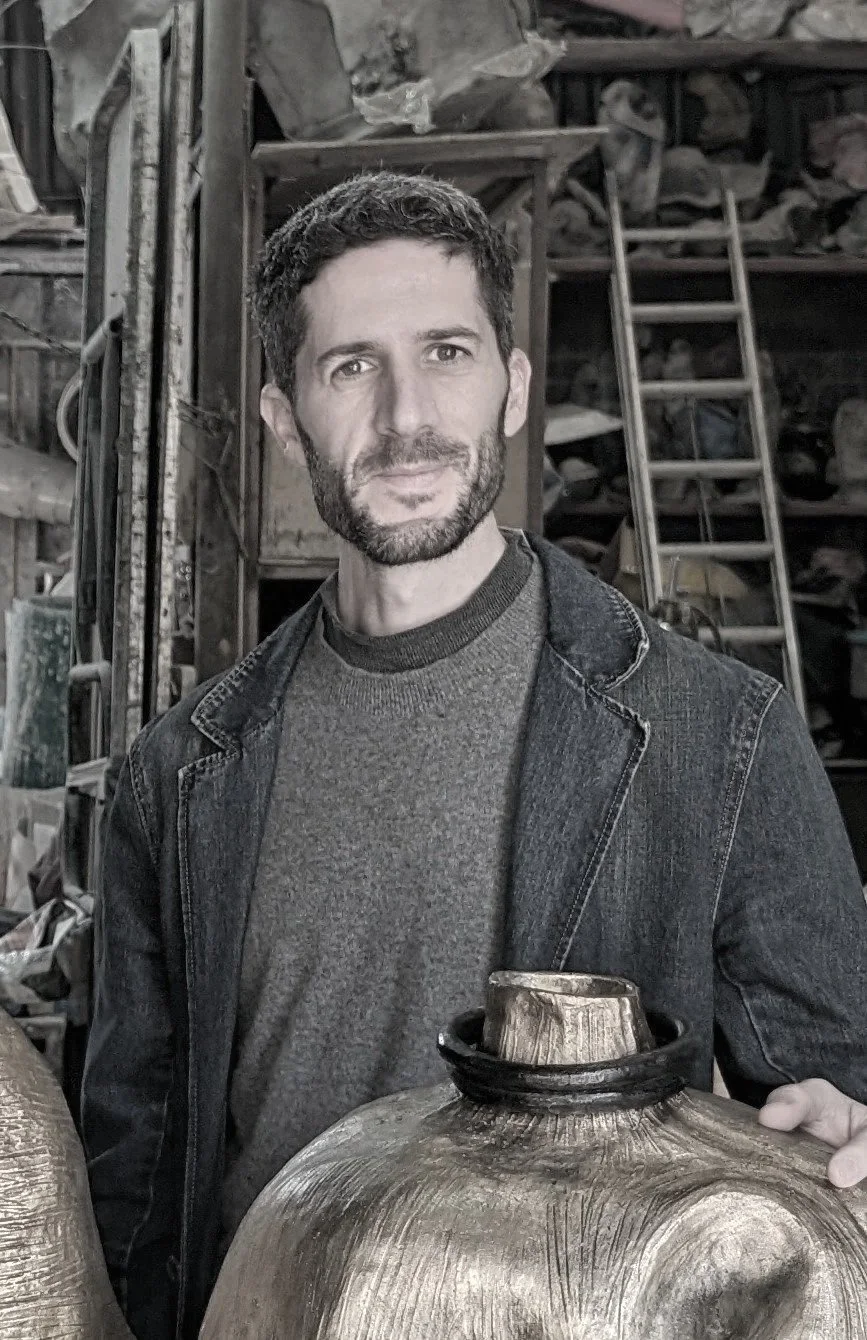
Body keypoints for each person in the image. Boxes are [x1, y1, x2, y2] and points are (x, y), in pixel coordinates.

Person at [81, 171, 867, 1340]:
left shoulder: (722, 737)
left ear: (514, 387)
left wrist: (844, 1131)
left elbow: (835, 1102)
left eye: (447, 353)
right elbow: (135, 1193)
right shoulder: (178, 777)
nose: (407, 417)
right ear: (286, 420)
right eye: (352, 367)